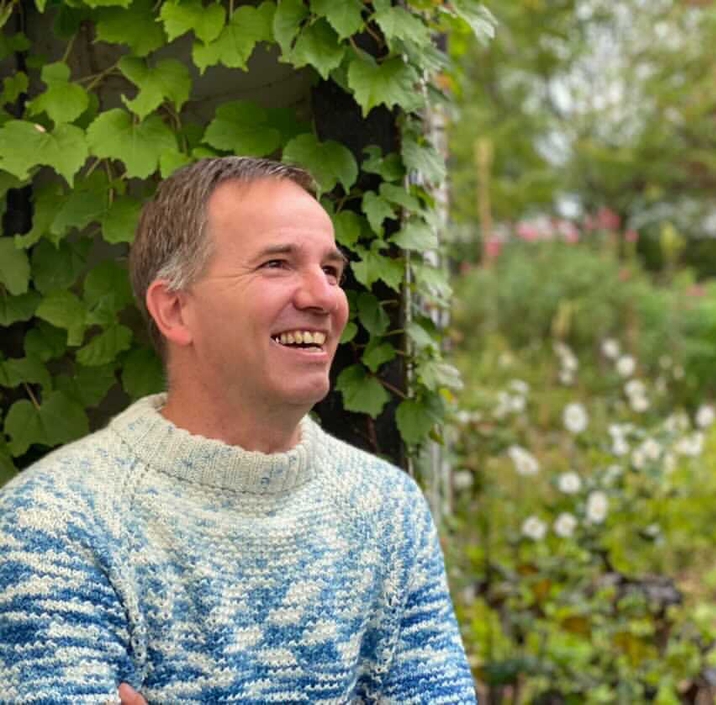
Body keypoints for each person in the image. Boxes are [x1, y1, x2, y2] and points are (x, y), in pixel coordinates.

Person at [0, 157, 476, 703]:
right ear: (175, 310)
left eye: (331, 270)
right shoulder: (54, 526)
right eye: (277, 264)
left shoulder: (387, 509)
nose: (324, 296)